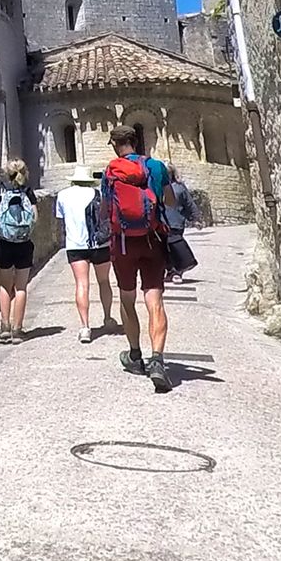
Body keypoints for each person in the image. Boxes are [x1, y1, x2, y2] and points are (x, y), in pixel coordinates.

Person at [101, 127, 173, 392]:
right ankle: (157, 361)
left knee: (127, 299)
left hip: (122, 244)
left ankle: (134, 355)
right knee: (154, 300)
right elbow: (170, 201)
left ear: (115, 145)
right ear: (135, 142)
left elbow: (105, 208)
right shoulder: (156, 166)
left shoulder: (111, 171)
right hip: (152, 239)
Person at [56, 163, 114, 342]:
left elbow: (61, 219)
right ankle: (107, 317)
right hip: (100, 244)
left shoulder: (63, 195)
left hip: (75, 245)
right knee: (104, 281)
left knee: (82, 284)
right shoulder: (100, 194)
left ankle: (85, 327)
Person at [0, 159, 36, 343]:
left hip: (4, 243)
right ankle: (18, 329)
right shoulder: (28, 191)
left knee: (5, 286)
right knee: (21, 287)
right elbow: (35, 217)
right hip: (24, 244)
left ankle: (4, 327)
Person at [164, 165, 202, 284]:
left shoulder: (179, 187)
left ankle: (178, 270)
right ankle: (170, 270)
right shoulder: (159, 187)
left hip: (175, 222)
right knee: (164, 248)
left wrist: (196, 219)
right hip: (162, 222)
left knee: (176, 246)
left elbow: (189, 204)